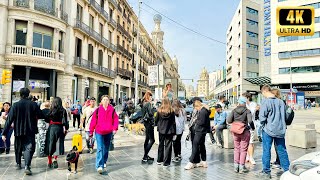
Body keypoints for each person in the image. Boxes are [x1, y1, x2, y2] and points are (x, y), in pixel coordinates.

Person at [1, 88, 42, 175]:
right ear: (28, 94)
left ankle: (18, 163)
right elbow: (41, 115)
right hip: (30, 130)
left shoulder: (15, 105)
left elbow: (9, 120)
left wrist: (4, 133)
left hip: (18, 130)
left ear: (20, 94)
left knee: (18, 147)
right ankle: (27, 165)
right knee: (29, 148)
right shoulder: (33, 104)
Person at [257, 85, 290, 179]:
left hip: (268, 130)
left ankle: (266, 172)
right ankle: (287, 170)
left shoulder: (266, 102)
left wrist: (262, 125)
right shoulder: (280, 102)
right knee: (282, 150)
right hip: (280, 130)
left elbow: (262, 118)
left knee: (266, 150)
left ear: (264, 91)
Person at [89, 95, 119, 174]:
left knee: (106, 148)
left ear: (109, 101)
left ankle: (104, 161)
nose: (105, 101)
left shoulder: (112, 110)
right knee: (100, 148)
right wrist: (91, 131)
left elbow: (116, 119)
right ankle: (99, 165)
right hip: (99, 132)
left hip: (108, 132)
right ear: (101, 101)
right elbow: (93, 121)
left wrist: (115, 128)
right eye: (104, 99)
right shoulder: (98, 110)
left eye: (107, 100)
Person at [227, 96, 252, 174]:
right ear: (244, 103)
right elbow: (250, 121)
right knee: (243, 149)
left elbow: (228, 120)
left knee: (237, 149)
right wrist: (252, 128)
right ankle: (241, 167)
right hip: (244, 131)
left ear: (239, 102)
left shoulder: (234, 110)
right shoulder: (247, 111)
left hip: (235, 132)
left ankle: (236, 167)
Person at [185, 98, 210, 170]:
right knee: (202, 145)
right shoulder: (205, 110)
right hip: (203, 131)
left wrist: (196, 121)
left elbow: (201, 122)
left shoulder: (202, 111)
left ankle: (191, 162)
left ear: (197, 106)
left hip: (199, 131)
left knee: (195, 145)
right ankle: (204, 161)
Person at [44, 97, 69, 169]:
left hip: (52, 128)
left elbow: (46, 119)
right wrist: (66, 129)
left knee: (50, 144)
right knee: (57, 144)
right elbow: (65, 121)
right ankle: (55, 159)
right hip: (59, 128)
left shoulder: (51, 110)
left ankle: (49, 161)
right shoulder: (63, 110)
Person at [155, 98, 176, 167]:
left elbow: (156, 120)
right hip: (169, 131)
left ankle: (159, 160)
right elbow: (173, 122)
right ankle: (166, 162)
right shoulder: (172, 111)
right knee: (168, 146)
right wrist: (175, 132)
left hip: (161, 130)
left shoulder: (159, 111)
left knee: (161, 145)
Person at [243, 92, 258, 165]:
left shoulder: (253, 104)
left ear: (248, 98)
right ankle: (247, 156)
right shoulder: (243, 104)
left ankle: (251, 157)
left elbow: (251, 113)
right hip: (244, 126)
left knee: (251, 142)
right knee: (245, 142)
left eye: (244, 97)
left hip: (251, 125)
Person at [141, 91, 155, 162]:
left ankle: (146, 155)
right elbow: (150, 113)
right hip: (149, 123)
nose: (151, 98)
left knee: (147, 139)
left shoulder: (143, 103)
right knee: (152, 140)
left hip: (146, 122)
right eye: (151, 96)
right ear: (148, 96)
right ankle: (145, 156)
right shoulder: (148, 104)